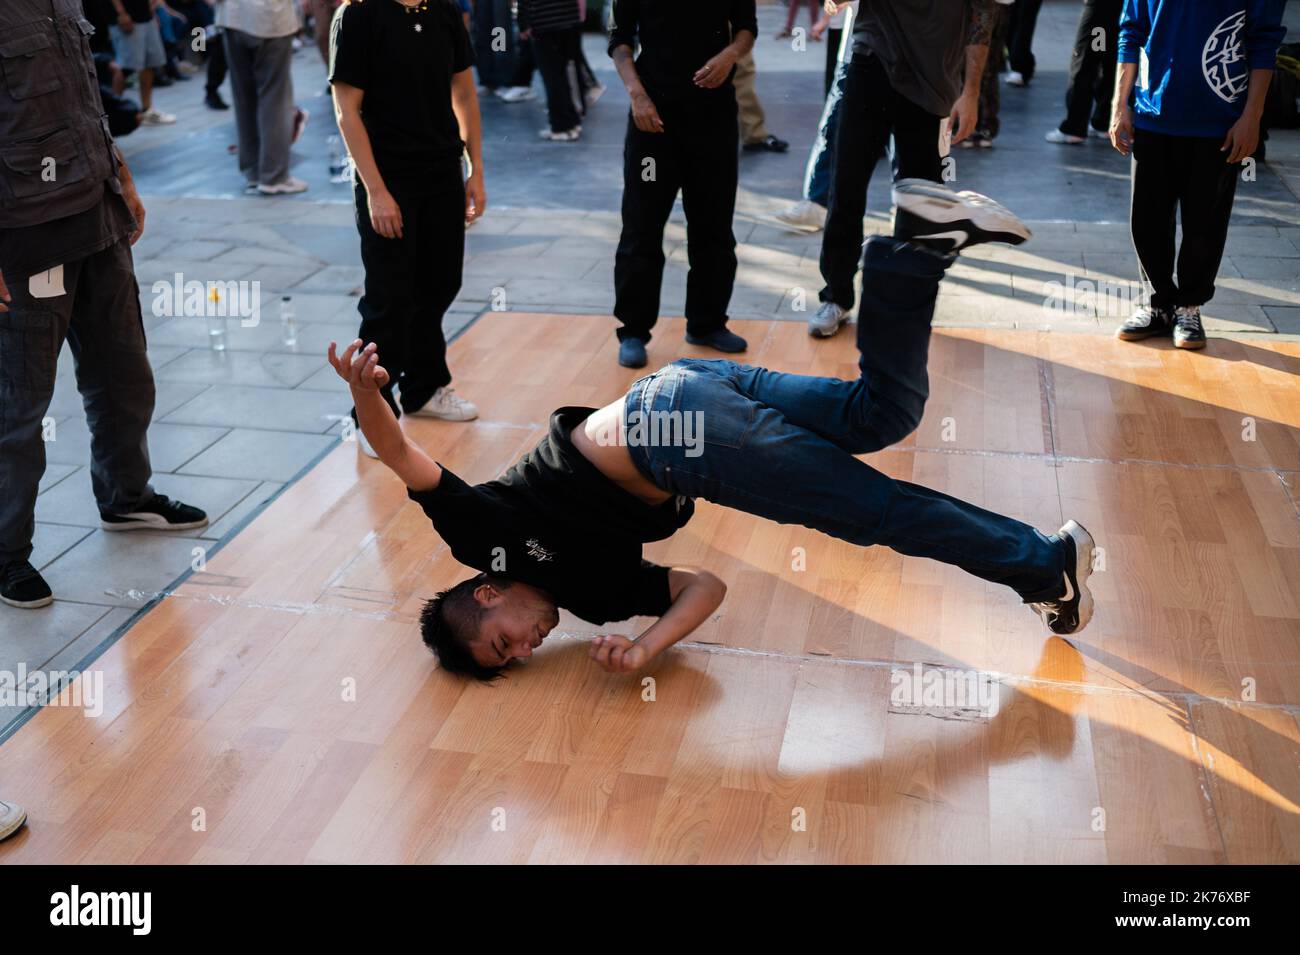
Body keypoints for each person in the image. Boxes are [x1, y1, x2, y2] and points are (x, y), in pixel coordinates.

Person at [326, 183, 1095, 680]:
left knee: (878, 511)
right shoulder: (593, 599)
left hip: (676, 434)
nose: (528, 646)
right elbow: (703, 585)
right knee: (879, 414)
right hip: (689, 391)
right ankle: (914, 251)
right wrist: (645, 645)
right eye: (519, 659)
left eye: (504, 639)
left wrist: (367, 392)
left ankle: (1043, 565)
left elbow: (403, 456)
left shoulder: (481, 537)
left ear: (486, 591)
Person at [0, 0, 208, 610]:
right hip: (26, 237)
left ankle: (127, 498)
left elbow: (85, 102)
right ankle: (7, 553)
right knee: (20, 409)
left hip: (99, 218)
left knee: (124, 374)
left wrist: (122, 177)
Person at [330, 0, 486, 456]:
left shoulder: (442, 12)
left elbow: (465, 94)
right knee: (389, 298)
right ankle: (373, 412)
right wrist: (376, 191)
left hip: (442, 171)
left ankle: (423, 388)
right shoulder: (358, 14)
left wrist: (475, 170)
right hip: (387, 176)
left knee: (440, 284)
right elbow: (347, 112)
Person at [808, 0, 993, 339]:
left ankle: (902, 304)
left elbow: (982, 16)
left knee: (921, 201)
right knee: (845, 185)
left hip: (933, 82)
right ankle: (836, 295)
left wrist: (970, 93)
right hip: (870, 61)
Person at [1110, 0, 1285, 350]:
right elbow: (1131, 31)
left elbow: (1264, 42)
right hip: (1152, 113)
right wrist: (1119, 104)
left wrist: (1252, 117)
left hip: (1218, 121)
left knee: (1205, 223)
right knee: (1147, 220)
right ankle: (1157, 304)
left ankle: (1189, 305)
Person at [608, 0, 758, 369]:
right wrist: (636, 95)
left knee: (714, 224)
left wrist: (730, 54)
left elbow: (746, 27)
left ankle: (707, 323)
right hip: (652, 117)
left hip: (713, 116)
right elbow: (620, 41)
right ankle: (633, 330)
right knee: (642, 225)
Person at [773, 0, 858, 234]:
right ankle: (819, 202)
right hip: (857, 50)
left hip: (877, 55)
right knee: (833, 128)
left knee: (835, 128)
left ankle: (910, 205)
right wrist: (825, 19)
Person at [217, 0, 306, 194]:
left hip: (232, 16)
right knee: (275, 98)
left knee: (244, 98)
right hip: (271, 18)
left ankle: (254, 172)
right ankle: (273, 176)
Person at [1045, 0, 1121, 144]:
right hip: (1116, 9)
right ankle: (1103, 121)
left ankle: (1075, 127)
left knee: (1087, 61)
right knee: (1108, 58)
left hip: (1100, 10)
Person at [519, 0, 585, 140]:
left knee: (552, 77)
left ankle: (562, 126)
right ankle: (572, 121)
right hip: (570, 20)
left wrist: (523, 24)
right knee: (567, 74)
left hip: (544, 23)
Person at [107, 0, 178, 123]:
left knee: (149, 64)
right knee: (125, 69)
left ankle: (147, 110)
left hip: (145, 17)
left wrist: (151, 13)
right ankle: (110, 117)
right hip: (128, 19)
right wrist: (121, 13)